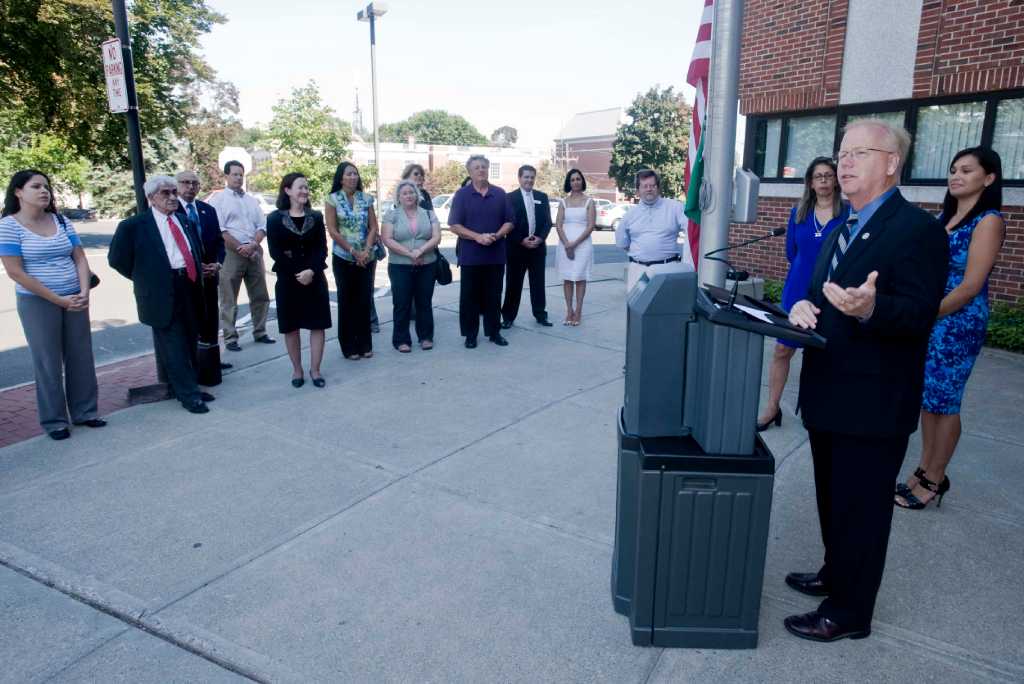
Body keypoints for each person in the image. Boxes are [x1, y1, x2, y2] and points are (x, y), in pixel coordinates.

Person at [785, 119, 948, 642]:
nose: (844, 162)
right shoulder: (839, 227)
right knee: (833, 499)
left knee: (863, 510)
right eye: (842, 151)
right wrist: (805, 305)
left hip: (873, 403)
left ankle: (850, 613)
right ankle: (837, 575)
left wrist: (874, 307)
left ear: (891, 163)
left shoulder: (917, 230)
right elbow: (820, 291)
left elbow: (920, 313)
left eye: (859, 152)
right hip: (829, 393)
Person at [895, 147, 1006, 510]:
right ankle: (924, 468)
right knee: (929, 399)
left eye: (967, 170)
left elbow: (971, 284)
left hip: (958, 320)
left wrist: (927, 315)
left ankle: (935, 478)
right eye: (953, 169)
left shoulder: (988, 220)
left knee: (946, 400)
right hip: (934, 315)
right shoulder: (945, 218)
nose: (956, 175)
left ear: (988, 178)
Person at [0, 170, 103, 439]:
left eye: (46, 186)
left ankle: (86, 412)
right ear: (19, 192)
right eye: (36, 186)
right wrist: (58, 300)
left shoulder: (61, 220)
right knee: (48, 361)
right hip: (38, 302)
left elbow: (79, 258)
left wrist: (83, 292)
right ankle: (55, 421)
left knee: (81, 355)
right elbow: (15, 272)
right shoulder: (8, 225)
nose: (44, 191)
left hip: (75, 297)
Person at [109, 176, 215, 414]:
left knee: (189, 340)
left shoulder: (183, 220)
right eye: (165, 193)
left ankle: (190, 387)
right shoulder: (134, 226)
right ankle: (188, 395)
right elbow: (118, 260)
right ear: (151, 198)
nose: (172, 197)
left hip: (188, 285)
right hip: (161, 293)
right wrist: (148, 279)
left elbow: (193, 250)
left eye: (174, 192)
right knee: (173, 345)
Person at [757, 157, 848, 431]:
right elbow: (790, 253)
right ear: (809, 182)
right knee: (783, 350)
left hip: (831, 292)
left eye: (828, 175)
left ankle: (820, 410)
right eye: (817, 176)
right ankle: (772, 407)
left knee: (825, 355)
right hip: (797, 290)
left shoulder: (848, 213)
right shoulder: (798, 212)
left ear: (836, 180)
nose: (823, 180)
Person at [265, 173, 331, 387]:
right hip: (288, 281)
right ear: (287, 190)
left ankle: (315, 370)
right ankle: (297, 370)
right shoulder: (274, 219)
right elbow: (276, 251)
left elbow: (322, 248)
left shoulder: (316, 217)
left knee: (317, 325)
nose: (304, 191)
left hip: (315, 279)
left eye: (306, 187)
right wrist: (298, 273)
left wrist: (311, 271)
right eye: (300, 187)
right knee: (291, 327)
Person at [207, 160, 275, 352]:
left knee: (260, 295)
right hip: (231, 253)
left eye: (241, 175)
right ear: (226, 176)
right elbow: (220, 230)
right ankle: (230, 337)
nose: (238, 178)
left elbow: (263, 225)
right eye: (235, 174)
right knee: (229, 297)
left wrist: (254, 244)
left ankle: (260, 331)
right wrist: (240, 247)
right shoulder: (218, 201)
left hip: (254, 251)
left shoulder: (251, 200)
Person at [447, 155, 513, 348]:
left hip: (495, 255)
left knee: (494, 295)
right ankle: (470, 335)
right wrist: (477, 237)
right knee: (470, 298)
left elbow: (509, 221)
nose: (481, 170)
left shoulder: (500, 194)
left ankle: (494, 332)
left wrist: (497, 235)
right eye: (476, 167)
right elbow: (454, 225)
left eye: (484, 167)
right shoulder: (462, 195)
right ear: (470, 172)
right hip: (471, 257)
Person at [177, 170, 231, 371]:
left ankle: (212, 359)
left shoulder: (207, 210)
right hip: (187, 276)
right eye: (185, 183)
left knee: (210, 317)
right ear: (177, 185)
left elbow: (218, 241)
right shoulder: (173, 212)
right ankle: (192, 364)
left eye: (194, 183)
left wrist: (217, 263)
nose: (190, 187)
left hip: (210, 273)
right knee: (191, 320)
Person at [325, 161, 378, 360]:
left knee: (364, 300)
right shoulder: (332, 199)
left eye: (355, 174)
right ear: (341, 178)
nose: (353, 177)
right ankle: (349, 346)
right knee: (347, 301)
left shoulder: (366, 199)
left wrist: (365, 250)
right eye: (349, 174)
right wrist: (353, 252)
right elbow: (332, 230)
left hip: (367, 257)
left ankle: (365, 344)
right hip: (343, 257)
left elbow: (373, 226)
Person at [381, 179, 441, 351]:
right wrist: (410, 254)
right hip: (400, 265)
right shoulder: (391, 215)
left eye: (411, 192)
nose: (409, 195)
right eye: (404, 193)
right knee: (402, 303)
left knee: (424, 302)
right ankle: (401, 340)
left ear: (417, 195)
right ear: (398, 197)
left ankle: (426, 337)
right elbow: (387, 239)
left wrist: (420, 251)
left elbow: (437, 237)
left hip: (427, 264)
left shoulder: (428, 213)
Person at [615, 169, 694, 292]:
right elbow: (622, 243)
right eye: (644, 186)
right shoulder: (630, 215)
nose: (649, 189)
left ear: (658, 188)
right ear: (637, 191)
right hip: (638, 271)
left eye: (652, 185)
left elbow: (691, 231)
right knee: (637, 309)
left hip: (667, 269)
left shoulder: (675, 208)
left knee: (667, 308)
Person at [501, 164, 553, 328]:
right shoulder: (509, 198)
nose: (529, 180)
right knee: (513, 284)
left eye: (532, 177)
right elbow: (507, 223)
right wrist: (520, 240)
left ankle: (540, 315)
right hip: (516, 249)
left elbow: (547, 222)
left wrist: (540, 238)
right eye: (526, 177)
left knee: (538, 284)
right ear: (519, 178)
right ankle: (508, 317)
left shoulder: (542, 197)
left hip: (537, 248)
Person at [555, 169, 595, 326]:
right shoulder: (563, 202)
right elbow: (558, 225)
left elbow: (591, 226)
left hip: (583, 245)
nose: (576, 182)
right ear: (568, 182)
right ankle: (569, 310)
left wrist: (574, 244)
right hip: (565, 245)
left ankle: (578, 311)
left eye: (578, 179)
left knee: (579, 277)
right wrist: (567, 244)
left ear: (582, 181)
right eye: (572, 180)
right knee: (567, 278)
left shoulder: (589, 202)